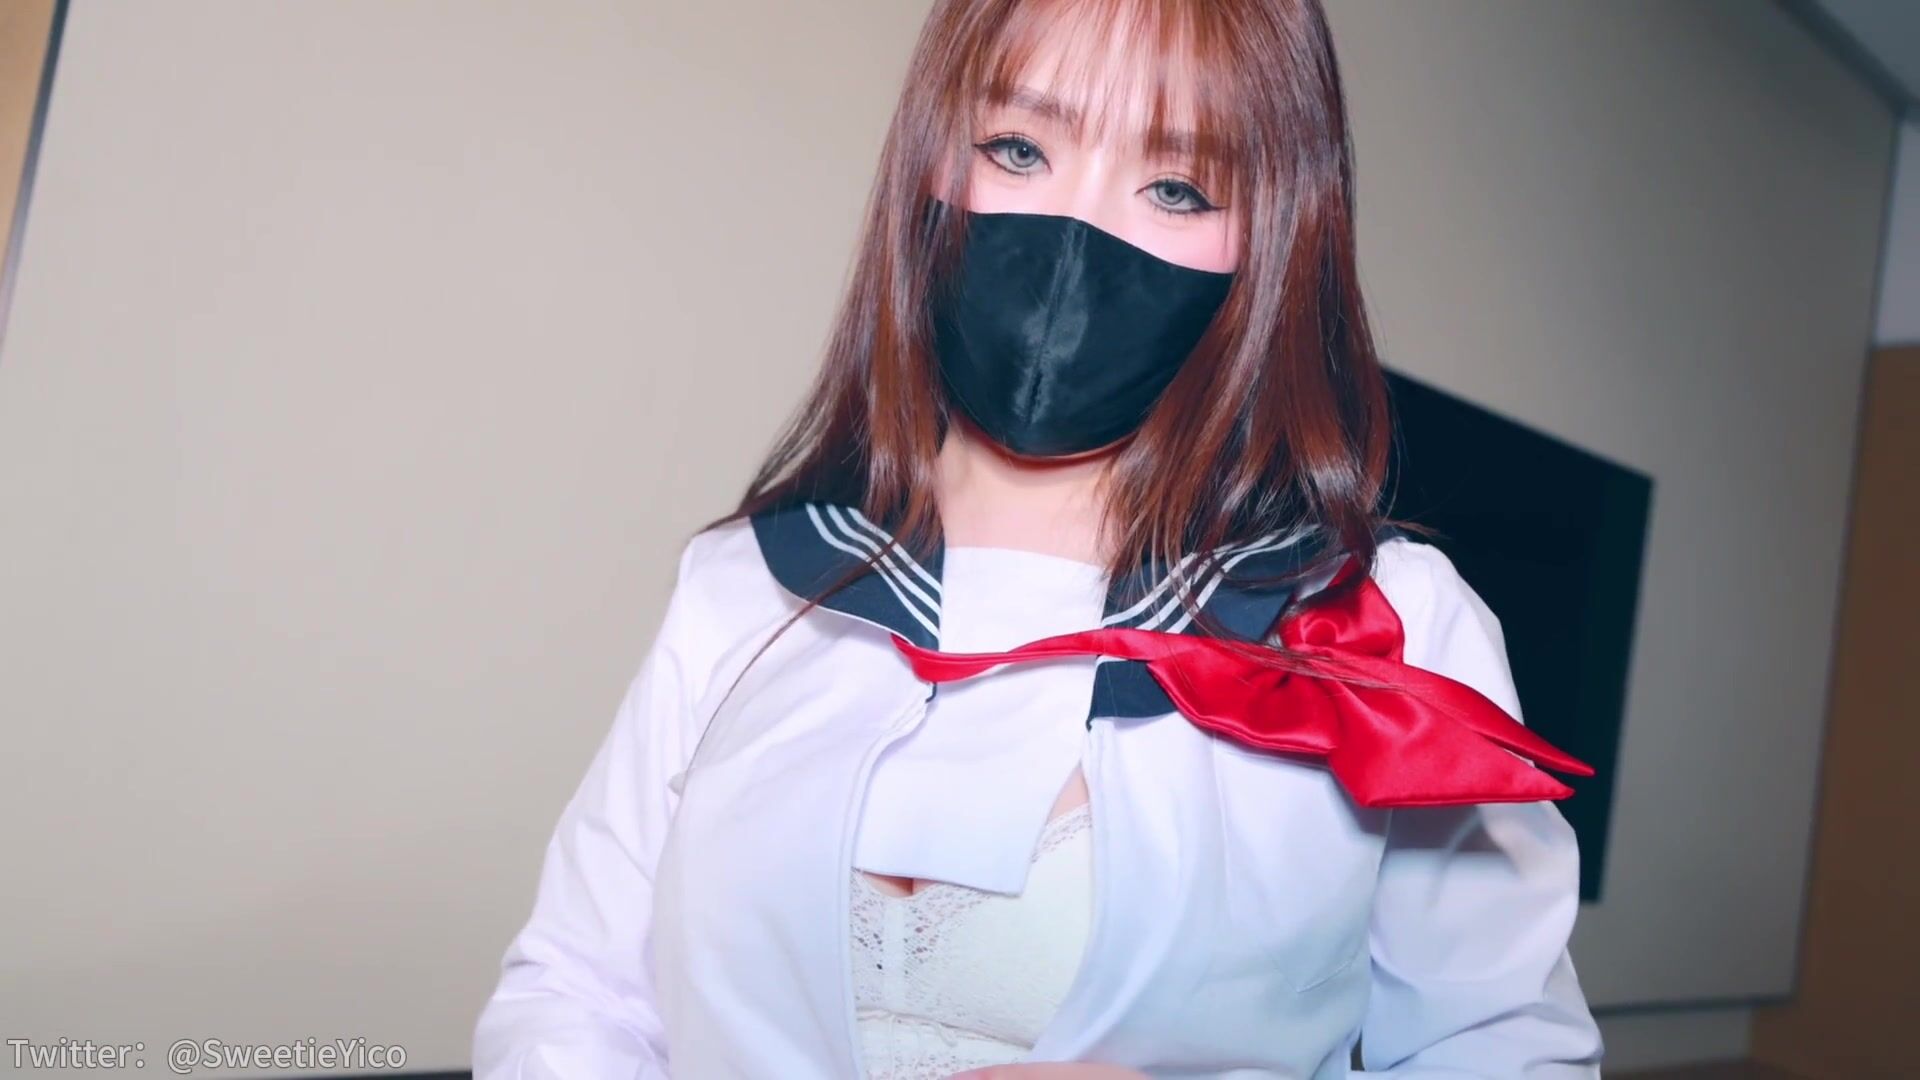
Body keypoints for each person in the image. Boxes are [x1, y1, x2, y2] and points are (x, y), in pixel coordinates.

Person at [473, 0, 1606, 1076]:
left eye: (1176, 188)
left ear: (1275, 239)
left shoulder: (1385, 628)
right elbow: (576, 996)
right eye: (1019, 150)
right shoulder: (745, 586)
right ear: (931, 162)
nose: (1078, 232)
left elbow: (1504, 1052)